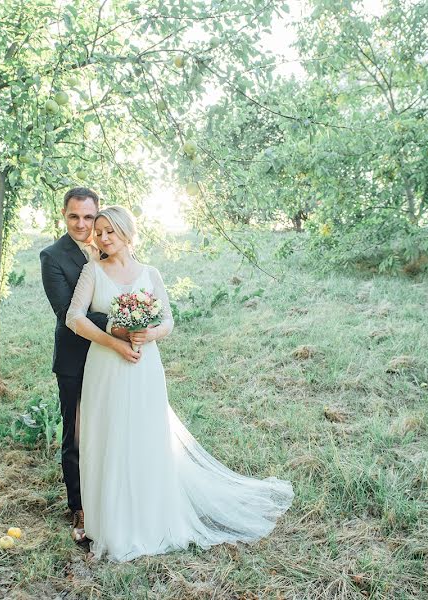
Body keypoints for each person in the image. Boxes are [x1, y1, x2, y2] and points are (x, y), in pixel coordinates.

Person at [66, 205, 293, 562]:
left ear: (127, 232)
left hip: (145, 365)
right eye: (99, 232)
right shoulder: (92, 271)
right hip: (106, 365)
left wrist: (148, 333)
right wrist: (114, 340)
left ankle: (151, 518)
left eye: (110, 230)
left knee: (145, 435)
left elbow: (169, 319)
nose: (103, 237)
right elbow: (73, 317)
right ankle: (112, 524)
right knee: (110, 435)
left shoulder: (150, 273)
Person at [40, 188, 140, 543]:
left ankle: (117, 498)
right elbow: (67, 311)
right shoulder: (52, 256)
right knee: (78, 434)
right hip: (76, 357)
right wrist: (124, 322)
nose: (82, 225)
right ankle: (80, 507)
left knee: (116, 428)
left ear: (98, 216)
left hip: (113, 359)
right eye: (73, 217)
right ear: (63, 216)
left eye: (88, 217)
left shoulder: (110, 243)